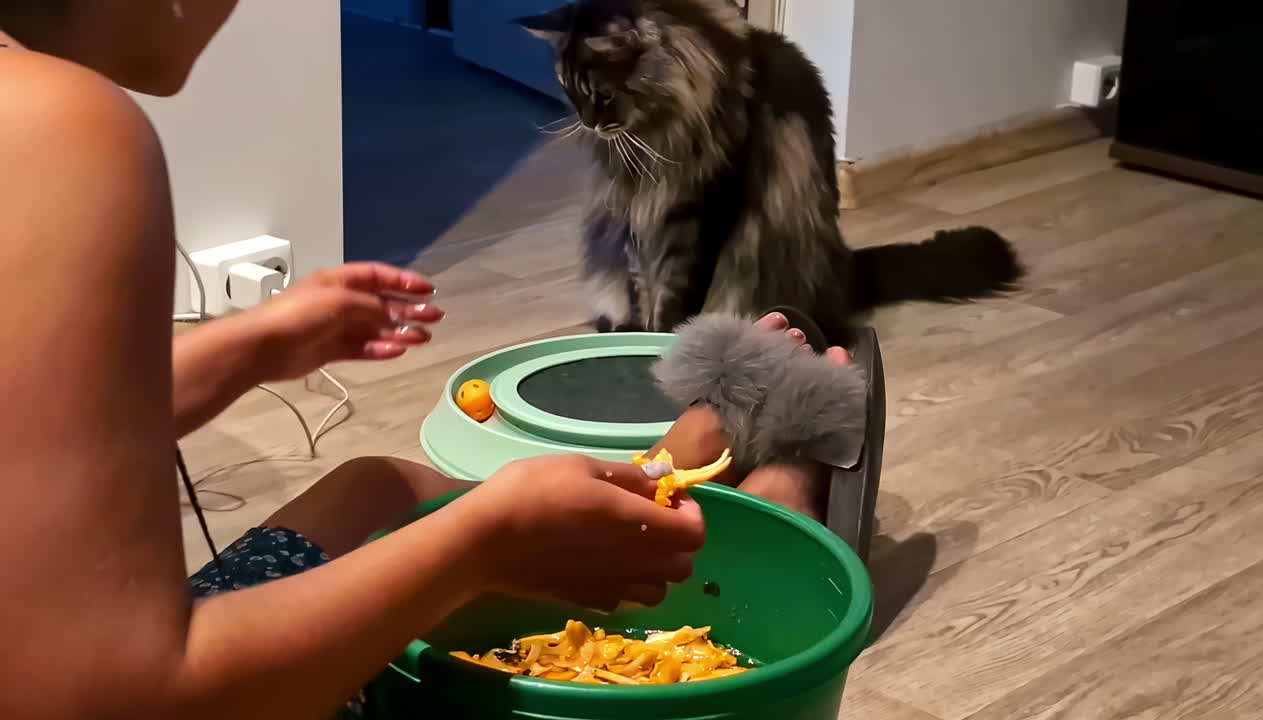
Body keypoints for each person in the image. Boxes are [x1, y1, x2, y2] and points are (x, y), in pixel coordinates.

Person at [0, 3, 851, 718]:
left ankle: (658, 485)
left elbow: (40, 436)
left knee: (383, 488)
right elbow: (123, 699)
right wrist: (479, 545)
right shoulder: (56, 130)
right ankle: (755, 500)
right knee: (456, 551)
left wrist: (240, 349)